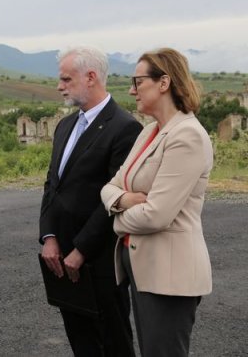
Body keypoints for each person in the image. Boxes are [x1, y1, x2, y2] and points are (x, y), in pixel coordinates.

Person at [101, 47, 213, 357]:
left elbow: (156, 216)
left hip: (170, 275)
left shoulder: (187, 136)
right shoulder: (150, 131)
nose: (131, 90)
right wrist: (124, 198)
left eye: (137, 82)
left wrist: (117, 218)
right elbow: (110, 186)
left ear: (163, 83)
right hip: (146, 269)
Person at [39, 46, 143, 356]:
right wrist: (49, 237)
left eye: (66, 79)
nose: (60, 86)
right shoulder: (65, 126)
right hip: (60, 258)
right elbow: (51, 185)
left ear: (91, 77)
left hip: (99, 261)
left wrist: (81, 250)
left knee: (114, 343)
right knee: (81, 343)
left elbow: (114, 199)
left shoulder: (124, 128)